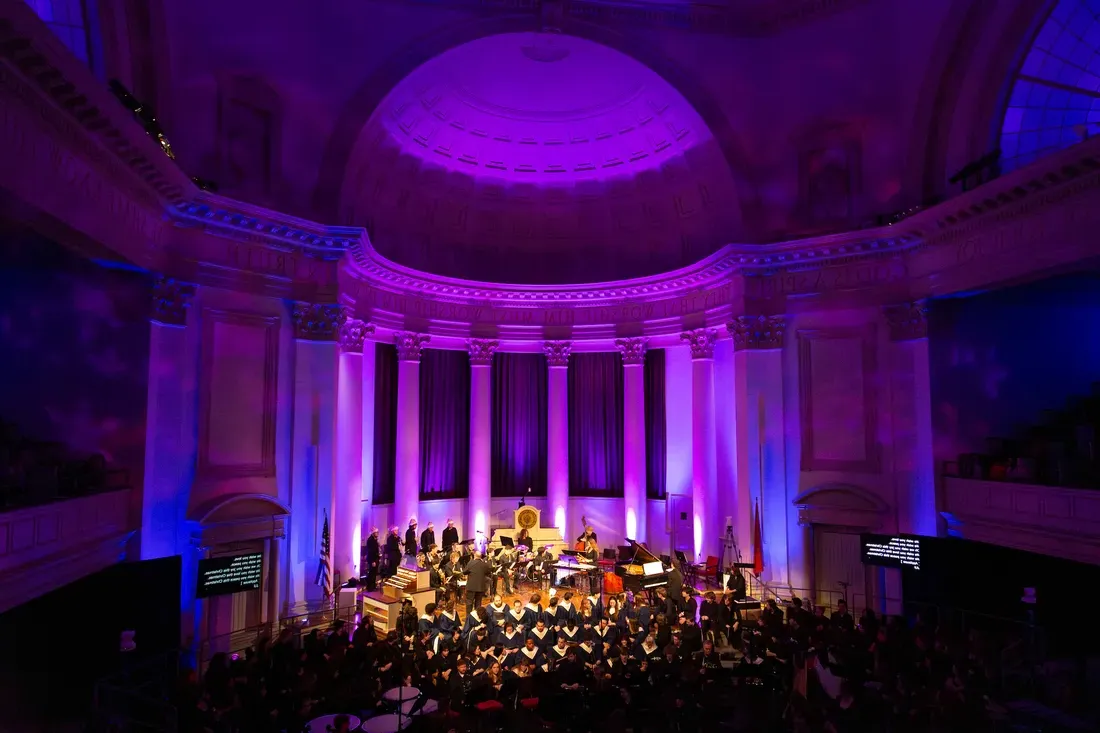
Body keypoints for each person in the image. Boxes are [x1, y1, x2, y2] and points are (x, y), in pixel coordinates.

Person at [463, 549, 491, 617]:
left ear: (474, 556)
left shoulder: (471, 563)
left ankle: (468, 617)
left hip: (471, 587)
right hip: (481, 587)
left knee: (469, 603)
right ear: (481, 557)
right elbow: (488, 572)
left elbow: (464, 572)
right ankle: (477, 617)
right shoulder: (484, 564)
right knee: (478, 603)